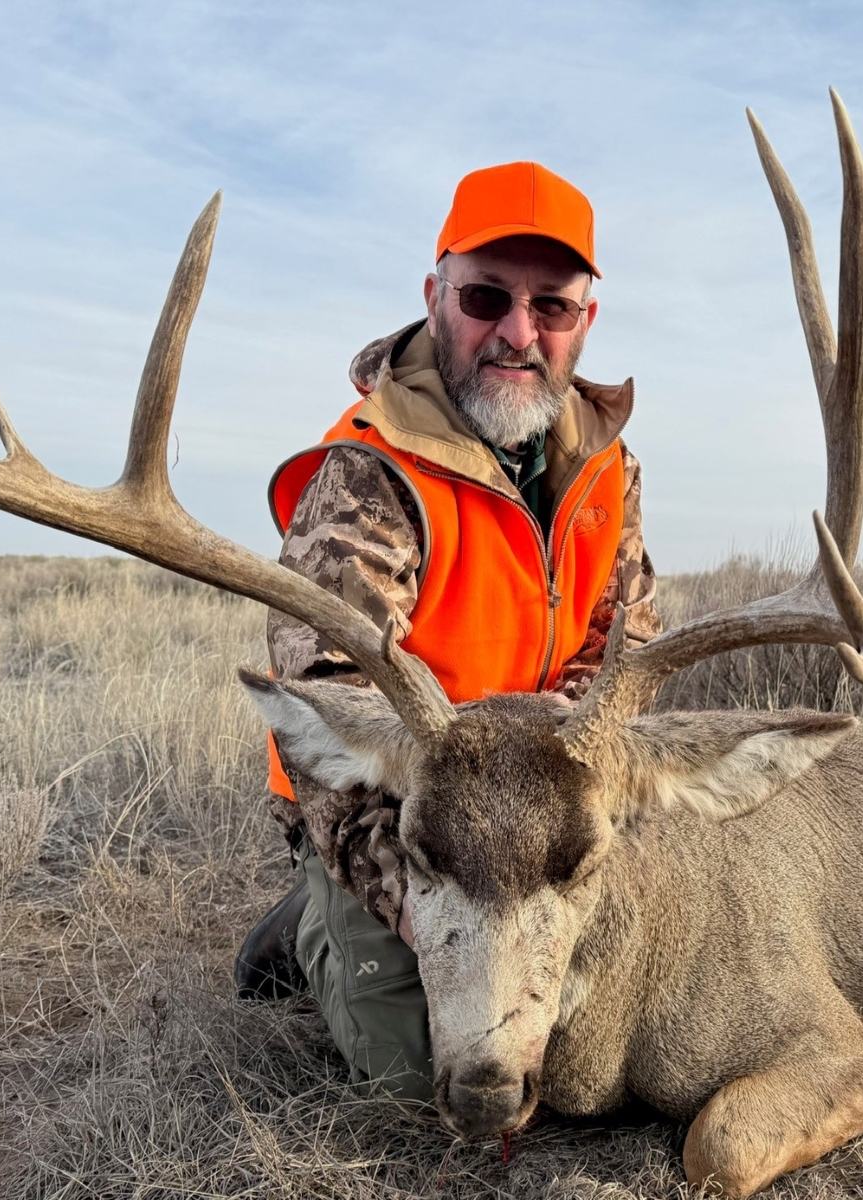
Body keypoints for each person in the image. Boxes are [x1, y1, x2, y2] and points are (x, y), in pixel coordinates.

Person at [235, 161, 661, 1099]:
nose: (519, 333)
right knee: (419, 1065)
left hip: (542, 803)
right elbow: (328, 720)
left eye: (552, 306)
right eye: (485, 297)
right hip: (402, 807)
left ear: (586, 319)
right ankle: (315, 920)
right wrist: (430, 914)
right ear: (435, 298)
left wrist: (576, 755)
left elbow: (624, 645)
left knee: (633, 1013)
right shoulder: (369, 472)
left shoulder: (606, 466)